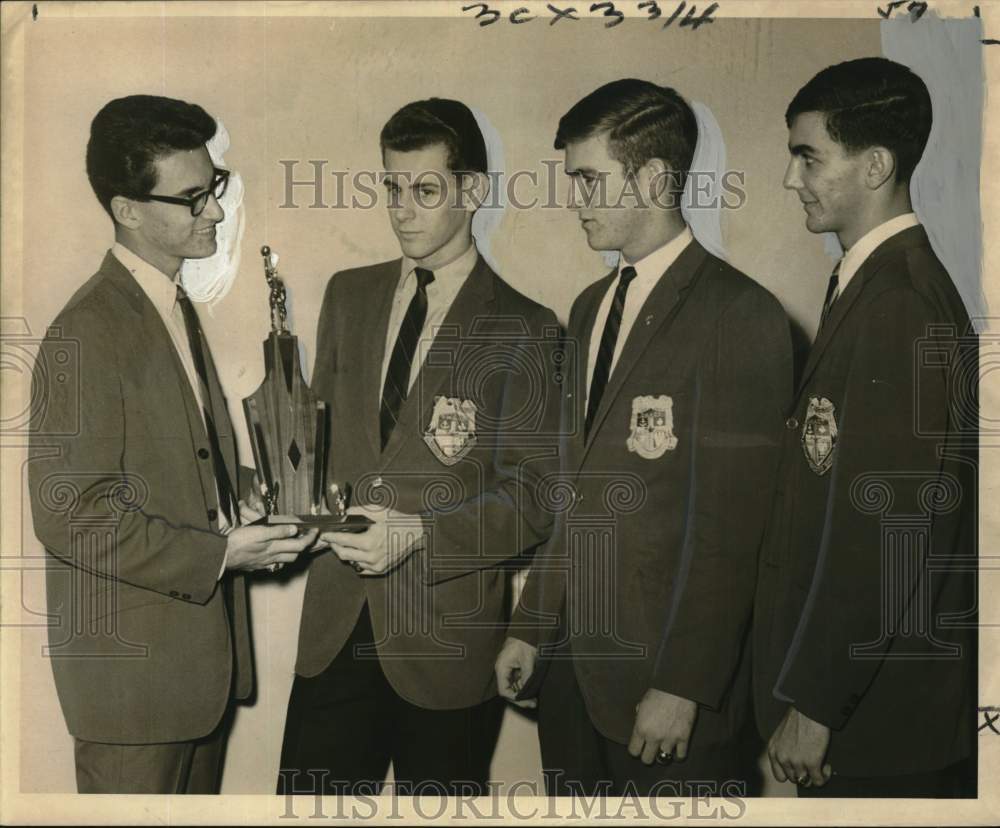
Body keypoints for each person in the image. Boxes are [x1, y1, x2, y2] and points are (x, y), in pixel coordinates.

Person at [495, 78, 792, 796]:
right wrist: (533, 626)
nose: (576, 201)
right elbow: (576, 485)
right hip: (571, 678)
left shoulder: (741, 315)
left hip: (666, 692)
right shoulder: (592, 304)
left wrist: (684, 686)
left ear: (655, 178)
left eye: (591, 181)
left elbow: (734, 532)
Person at [28, 95, 318, 794]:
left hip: (190, 680)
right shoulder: (87, 329)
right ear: (129, 210)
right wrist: (221, 553)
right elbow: (71, 513)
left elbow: (173, 465)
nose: (214, 212)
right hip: (134, 696)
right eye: (192, 198)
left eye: (212, 189)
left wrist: (249, 494)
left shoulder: (169, 304)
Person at [277, 97, 561, 796]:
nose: (403, 210)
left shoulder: (525, 327)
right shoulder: (349, 295)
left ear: (473, 192)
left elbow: (537, 496)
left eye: (426, 190)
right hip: (335, 630)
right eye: (392, 188)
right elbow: (313, 449)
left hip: (446, 643)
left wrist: (419, 535)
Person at [752, 57, 977, 798]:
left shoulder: (899, 303)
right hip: (865, 706)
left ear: (875, 164)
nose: (793, 179)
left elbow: (886, 529)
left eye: (807, 156)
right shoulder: (875, 284)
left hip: (874, 722)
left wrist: (816, 704)